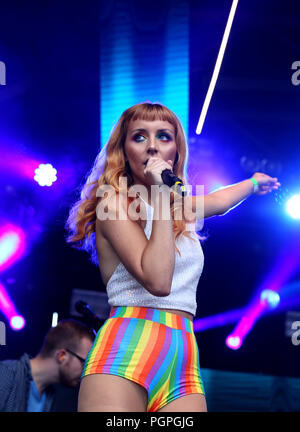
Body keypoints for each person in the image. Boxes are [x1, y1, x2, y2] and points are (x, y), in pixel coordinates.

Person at [66, 102, 280, 412]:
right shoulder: (112, 204)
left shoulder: (178, 206)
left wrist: (252, 183)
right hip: (126, 346)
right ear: (123, 150)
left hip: (181, 352)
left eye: (163, 137)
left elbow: (217, 202)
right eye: (139, 137)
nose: (152, 147)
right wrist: (161, 195)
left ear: (175, 151)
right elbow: (158, 280)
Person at [0, 319, 94, 412]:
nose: (85, 371)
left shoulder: (50, 395)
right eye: (84, 363)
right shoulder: (5, 374)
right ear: (62, 356)